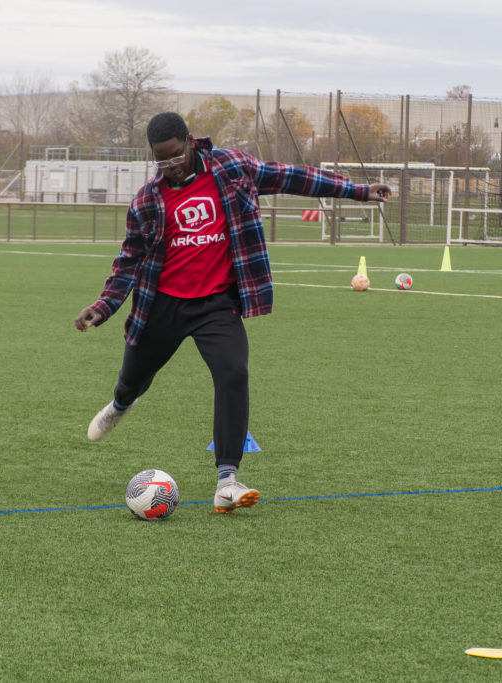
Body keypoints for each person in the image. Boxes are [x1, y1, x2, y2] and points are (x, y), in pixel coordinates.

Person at [75, 112, 389, 513]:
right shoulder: (147, 200)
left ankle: (227, 481)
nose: (171, 166)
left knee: (233, 373)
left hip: (216, 303)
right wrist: (103, 306)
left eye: (176, 156)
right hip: (163, 304)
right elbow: (129, 260)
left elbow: (293, 177)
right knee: (131, 381)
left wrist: (358, 191)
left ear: (191, 142)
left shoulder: (231, 168)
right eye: (161, 160)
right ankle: (121, 405)